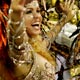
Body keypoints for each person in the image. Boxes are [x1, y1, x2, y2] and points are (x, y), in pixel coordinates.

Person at [6, 0, 74, 80]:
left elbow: (49, 37)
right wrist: (15, 12)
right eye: (28, 12)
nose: (37, 16)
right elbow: (16, 37)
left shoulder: (35, 44)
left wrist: (65, 18)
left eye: (38, 11)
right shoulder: (20, 54)